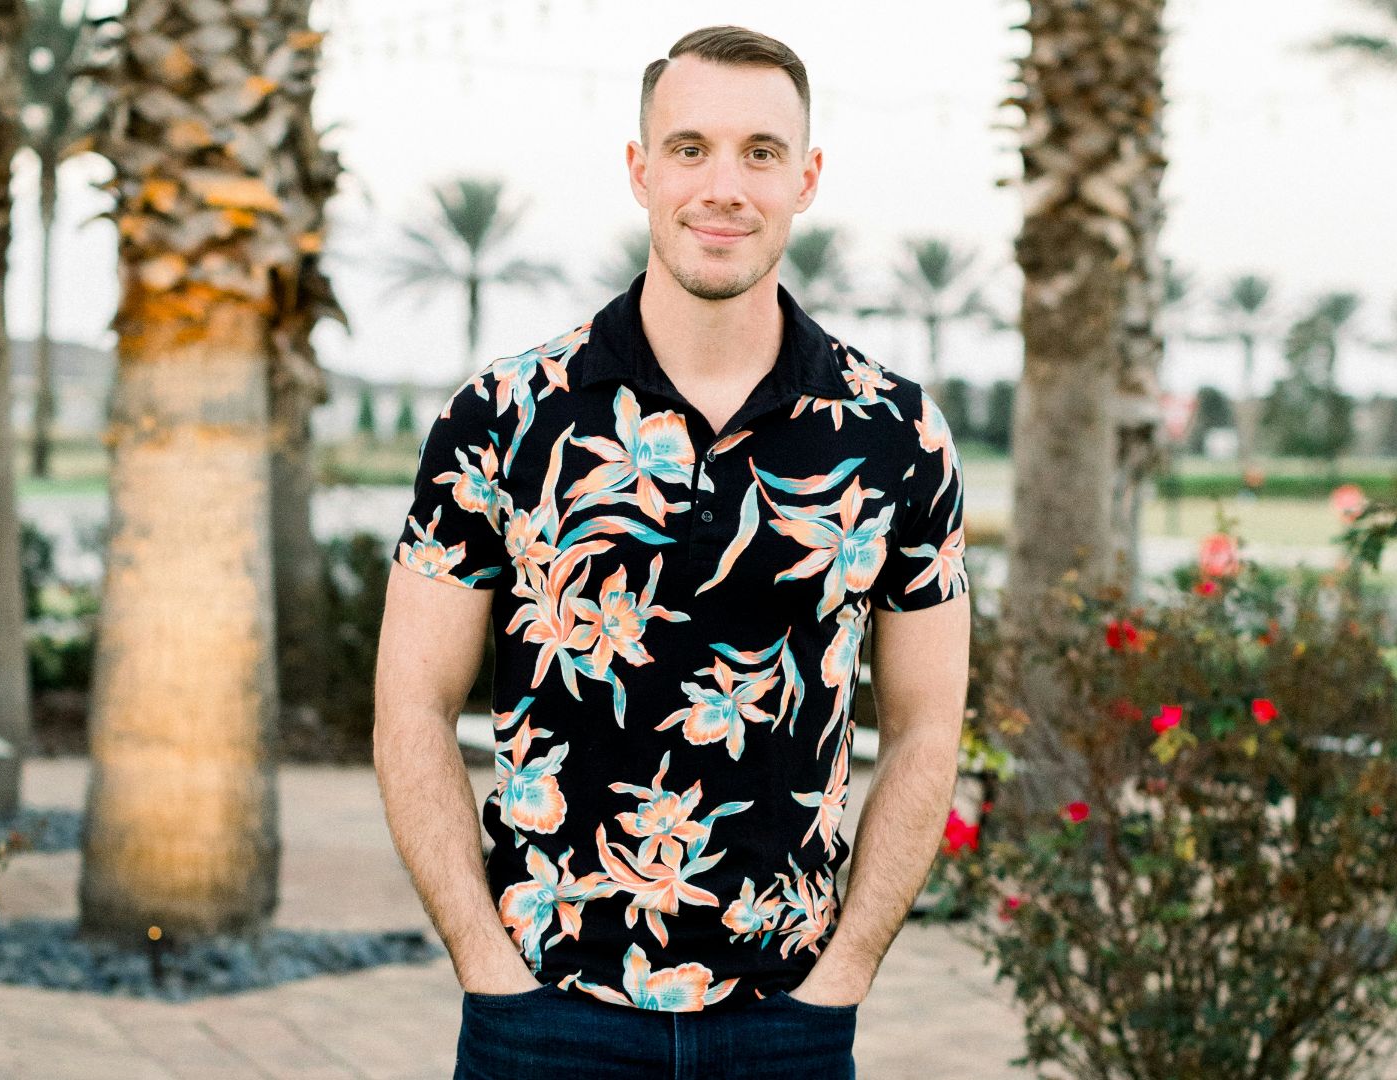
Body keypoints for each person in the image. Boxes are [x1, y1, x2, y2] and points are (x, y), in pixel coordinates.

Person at [374, 24, 971, 1080]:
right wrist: (484, 960)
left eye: (761, 152)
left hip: (788, 1018)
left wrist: (845, 976)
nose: (724, 186)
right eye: (690, 148)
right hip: (543, 1014)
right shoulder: (504, 417)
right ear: (641, 171)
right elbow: (410, 705)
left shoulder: (895, 436)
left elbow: (927, 729)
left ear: (807, 178)